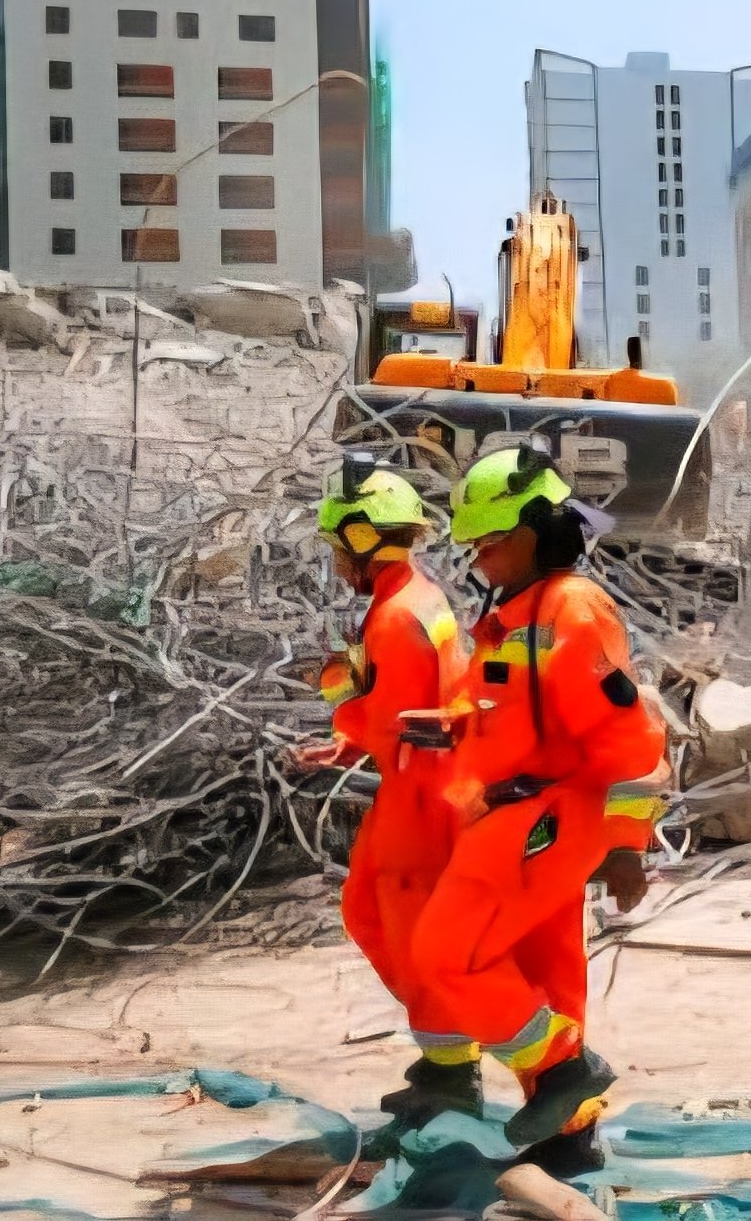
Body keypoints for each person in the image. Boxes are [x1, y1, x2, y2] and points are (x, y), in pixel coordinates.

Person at [404, 441, 669, 1174]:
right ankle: (569, 1134)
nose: (479, 561)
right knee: (544, 976)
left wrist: (627, 844)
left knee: (446, 955)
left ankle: (563, 1072)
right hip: (516, 814)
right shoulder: (513, 617)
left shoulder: (572, 611)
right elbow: (496, 703)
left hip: (551, 816)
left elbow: (631, 734)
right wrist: (445, 723)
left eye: (488, 545)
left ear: (529, 534)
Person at [298, 452, 474, 1125]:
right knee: (373, 914)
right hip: (420, 786)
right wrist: (350, 738)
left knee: (403, 928)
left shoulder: (397, 616)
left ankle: (453, 1075)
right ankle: (446, 1061)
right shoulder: (413, 597)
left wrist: (339, 699)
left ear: (364, 538)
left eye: (339, 546)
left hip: (420, 797)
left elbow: (394, 721)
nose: (337, 561)